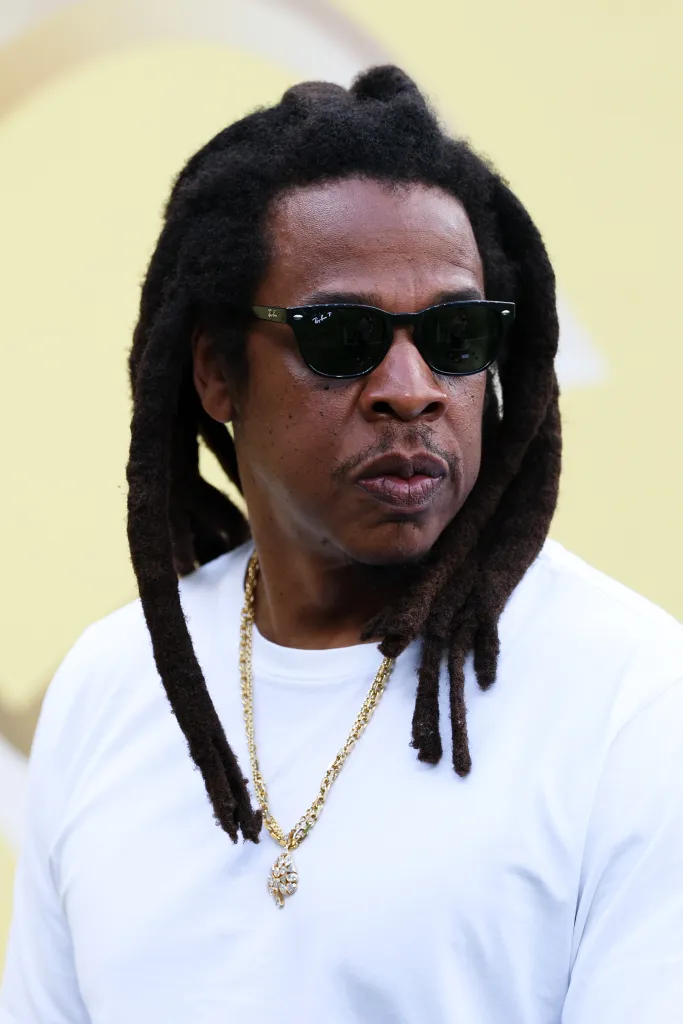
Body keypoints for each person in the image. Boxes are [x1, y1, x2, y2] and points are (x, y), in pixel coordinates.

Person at [1, 65, 682, 1024]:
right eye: (340, 334)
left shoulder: (633, 701)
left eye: (454, 333)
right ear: (215, 375)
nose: (409, 386)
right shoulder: (112, 688)